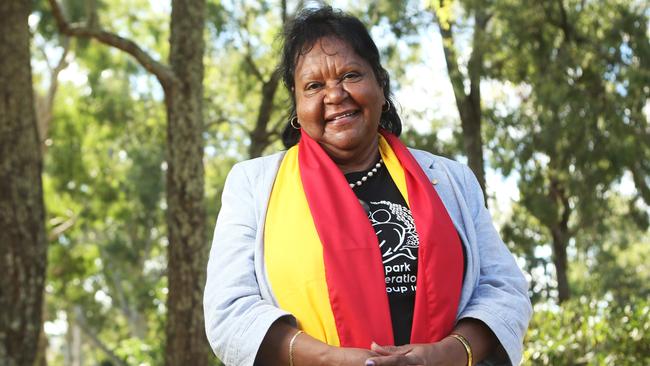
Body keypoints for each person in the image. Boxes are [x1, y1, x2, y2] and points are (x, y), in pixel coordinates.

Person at [204, 6, 531, 366]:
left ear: (380, 83)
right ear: (297, 106)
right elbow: (230, 310)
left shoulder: (451, 180)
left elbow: (504, 289)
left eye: (350, 75)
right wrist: (334, 360)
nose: (335, 94)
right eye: (314, 85)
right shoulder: (253, 185)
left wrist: (447, 353)